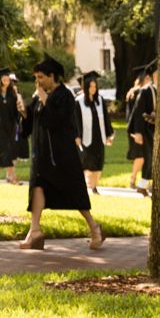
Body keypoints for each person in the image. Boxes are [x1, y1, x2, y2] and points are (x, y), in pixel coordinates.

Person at [20, 55, 105, 251]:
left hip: (63, 156)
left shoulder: (65, 96)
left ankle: (94, 228)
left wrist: (45, 101)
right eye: (37, 77)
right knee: (37, 188)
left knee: (75, 194)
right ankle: (35, 231)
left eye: (41, 77)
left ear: (52, 76)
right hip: (42, 155)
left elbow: (57, 122)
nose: (38, 81)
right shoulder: (38, 97)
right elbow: (30, 126)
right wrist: (24, 114)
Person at [125, 61, 157, 195]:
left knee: (152, 158)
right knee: (148, 157)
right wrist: (137, 132)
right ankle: (142, 185)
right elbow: (138, 113)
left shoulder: (156, 90)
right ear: (153, 76)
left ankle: (145, 185)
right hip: (144, 130)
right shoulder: (145, 91)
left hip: (153, 130)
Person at [76, 71, 111, 190]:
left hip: (99, 137)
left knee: (99, 163)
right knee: (87, 163)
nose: (93, 89)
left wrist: (109, 135)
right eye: (91, 86)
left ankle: (94, 186)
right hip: (86, 137)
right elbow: (76, 120)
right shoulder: (79, 101)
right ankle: (89, 186)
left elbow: (106, 119)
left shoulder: (100, 100)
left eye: (95, 86)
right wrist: (77, 136)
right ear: (86, 87)